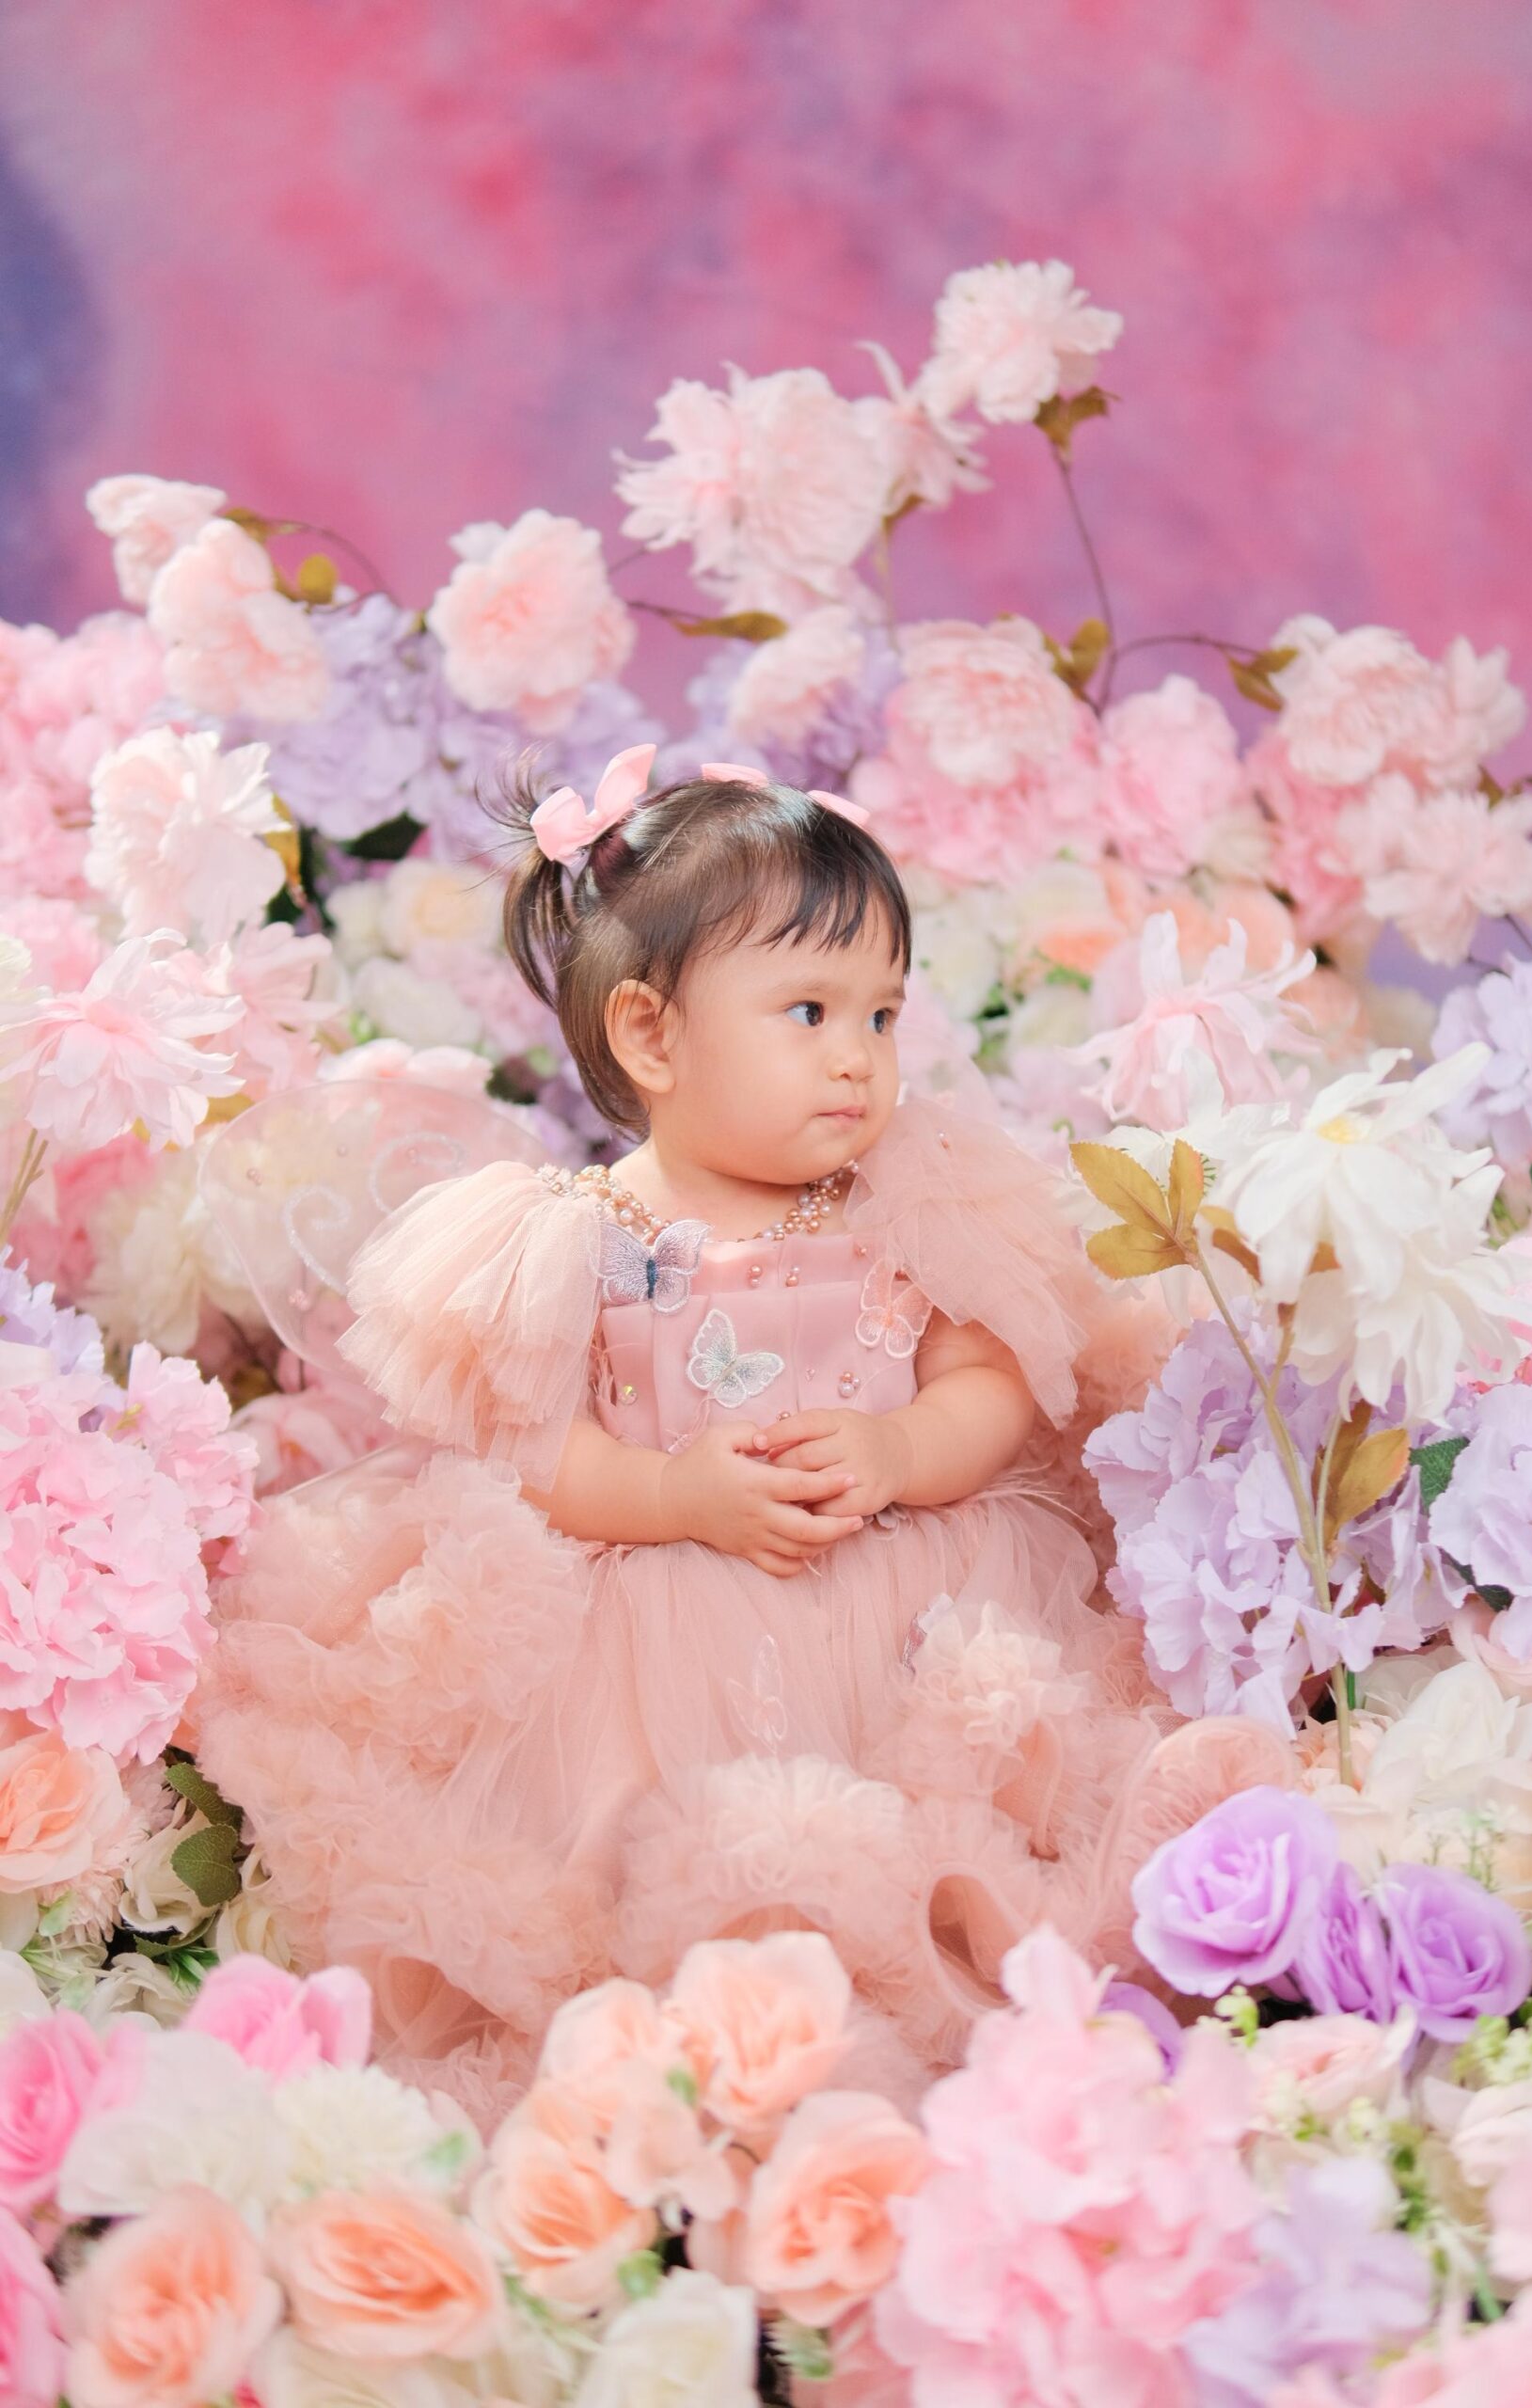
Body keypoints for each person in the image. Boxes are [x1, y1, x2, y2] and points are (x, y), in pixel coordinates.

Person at [195, 749, 1288, 2126]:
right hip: (653, 1626)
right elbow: (530, 1457)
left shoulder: (906, 1199)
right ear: (652, 1038)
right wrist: (669, 1493)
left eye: (882, 1014)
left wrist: (903, 1452)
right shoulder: (574, 1237)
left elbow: (987, 1382)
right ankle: (700, 2050)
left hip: (908, 1596)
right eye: (810, 1010)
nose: (858, 1057)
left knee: (947, 1822)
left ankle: (924, 2012)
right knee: (635, 1856)